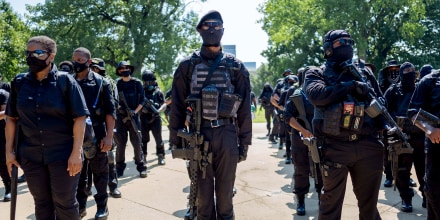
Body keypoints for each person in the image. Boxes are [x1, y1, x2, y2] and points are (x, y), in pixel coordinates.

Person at [170, 10, 252, 219]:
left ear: (223, 30)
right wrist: (176, 141)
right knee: (203, 200)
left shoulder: (236, 66)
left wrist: (245, 142)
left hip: (227, 133)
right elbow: (178, 105)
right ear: (199, 30)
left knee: (225, 198)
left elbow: (244, 108)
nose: (213, 29)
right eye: (207, 25)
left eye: (217, 25)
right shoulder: (187, 65)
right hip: (198, 134)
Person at [304, 30, 386, 219]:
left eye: (350, 41)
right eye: (341, 42)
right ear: (328, 49)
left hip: (368, 145)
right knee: (330, 205)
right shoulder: (317, 72)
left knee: (370, 206)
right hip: (335, 147)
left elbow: (381, 101)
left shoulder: (364, 71)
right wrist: (350, 86)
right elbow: (318, 96)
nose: (347, 44)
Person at [5, 35, 88, 219]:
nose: (31, 57)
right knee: (41, 203)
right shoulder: (19, 83)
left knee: (64, 202)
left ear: (51, 56)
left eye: (38, 53)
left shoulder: (65, 81)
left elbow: (80, 118)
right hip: (31, 156)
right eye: (28, 53)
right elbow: (11, 118)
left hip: (64, 155)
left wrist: (76, 153)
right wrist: (9, 152)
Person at [72, 48, 116, 219]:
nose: (77, 62)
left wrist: (109, 137)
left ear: (89, 62)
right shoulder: (68, 81)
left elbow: (110, 112)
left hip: (97, 134)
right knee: (78, 175)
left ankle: (102, 207)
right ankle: (81, 207)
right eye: (74, 59)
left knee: (100, 173)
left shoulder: (101, 83)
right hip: (75, 136)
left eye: (81, 59)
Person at [383, 61, 426, 212]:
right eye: (407, 72)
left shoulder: (421, 88)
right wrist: (394, 124)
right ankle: (406, 199)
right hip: (401, 137)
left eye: (412, 71)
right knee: (402, 171)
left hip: (421, 136)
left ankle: (427, 197)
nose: (410, 75)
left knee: (424, 170)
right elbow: (384, 111)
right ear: (401, 75)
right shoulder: (393, 91)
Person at [284, 66, 323, 215]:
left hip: (319, 138)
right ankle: (300, 201)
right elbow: (288, 117)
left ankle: (321, 199)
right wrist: (304, 130)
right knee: (301, 170)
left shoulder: (319, 94)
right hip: (300, 139)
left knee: (321, 170)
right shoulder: (296, 94)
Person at [408, 68, 440, 219]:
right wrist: (429, 129)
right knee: (434, 189)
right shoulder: (429, 81)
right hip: (437, 144)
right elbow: (413, 111)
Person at [90, 57, 122, 198]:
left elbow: (114, 105)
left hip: (104, 124)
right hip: (87, 126)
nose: (91, 69)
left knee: (108, 156)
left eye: (94, 67)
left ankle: (113, 186)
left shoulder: (108, 82)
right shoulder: (83, 80)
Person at [114, 61, 147, 178]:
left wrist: (135, 112)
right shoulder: (117, 83)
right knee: (120, 144)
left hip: (134, 117)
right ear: (119, 71)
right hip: (120, 118)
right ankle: (119, 168)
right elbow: (113, 99)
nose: (124, 70)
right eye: (122, 68)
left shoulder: (137, 83)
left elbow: (142, 100)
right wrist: (119, 109)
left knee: (137, 143)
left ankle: (142, 167)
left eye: (126, 67)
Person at [140, 70, 167, 165]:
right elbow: (136, 105)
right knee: (143, 139)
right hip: (144, 118)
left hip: (156, 118)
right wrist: (142, 110)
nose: (147, 84)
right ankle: (143, 157)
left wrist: (158, 110)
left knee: (159, 139)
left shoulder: (158, 92)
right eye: (145, 82)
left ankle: (161, 155)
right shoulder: (141, 92)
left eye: (149, 82)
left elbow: (164, 104)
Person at [0, 88, 10, 202]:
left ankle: (9, 188)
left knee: (2, 162)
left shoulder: (3, 94)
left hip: (1, 132)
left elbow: (5, 112)